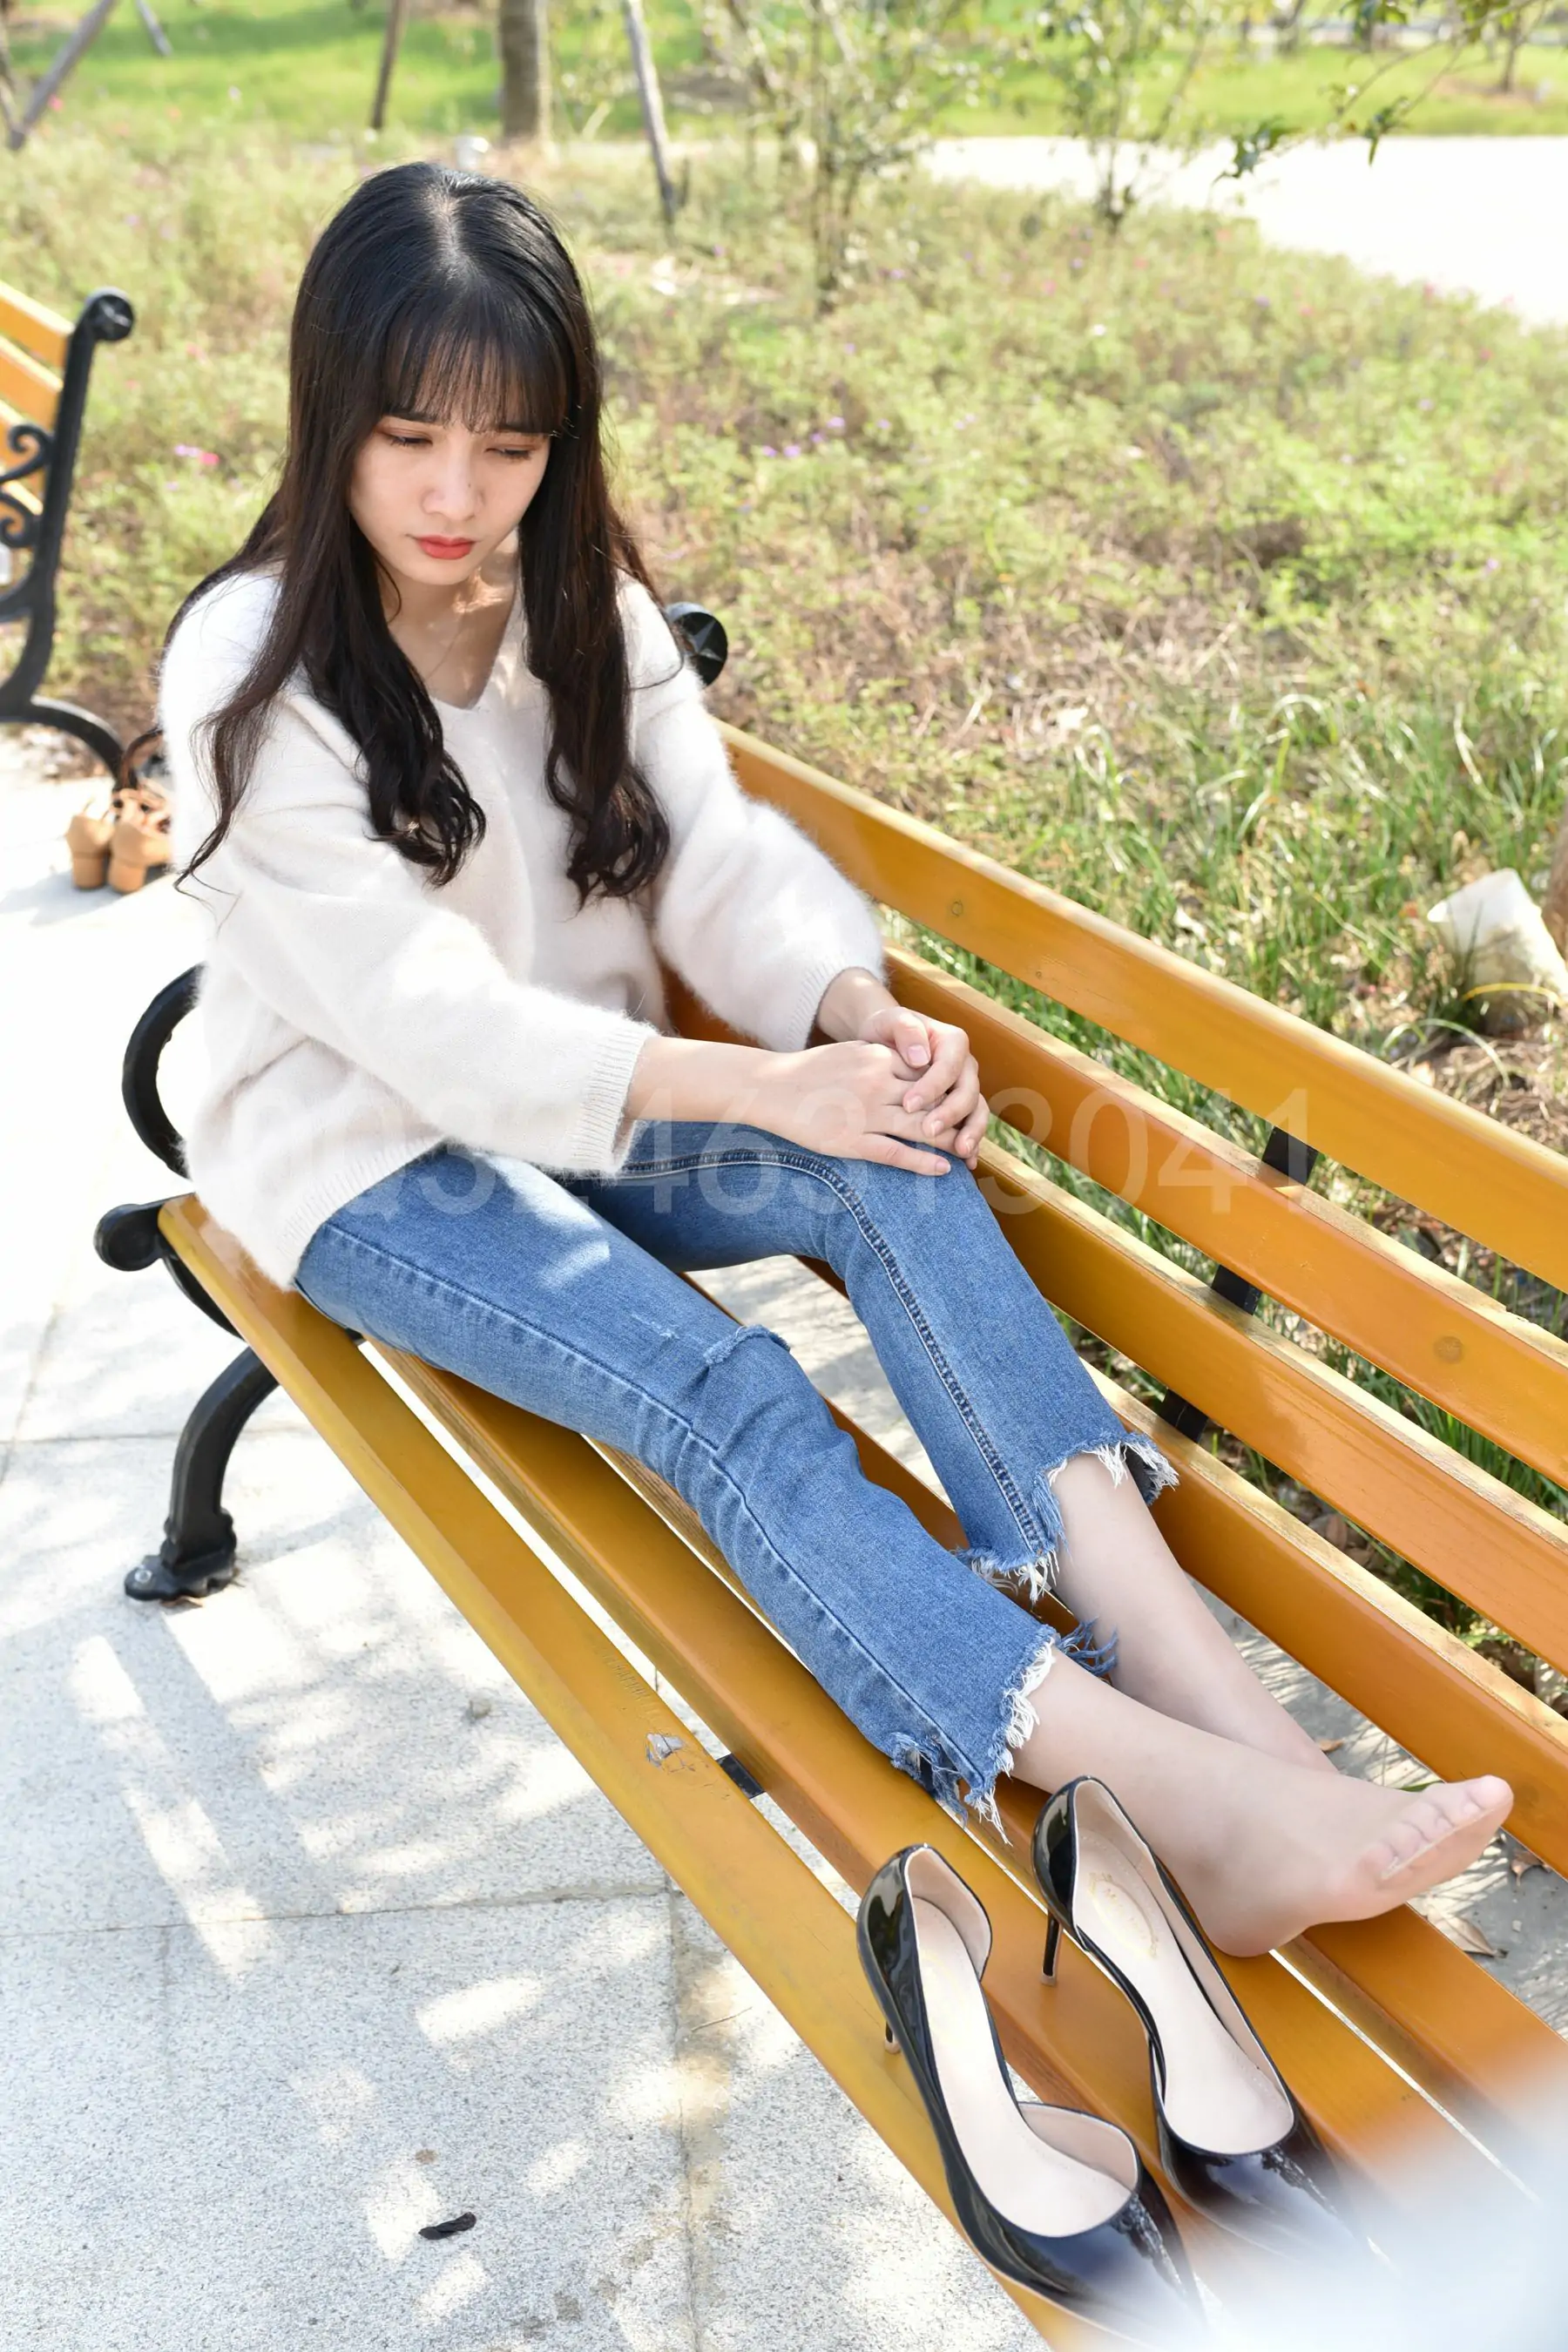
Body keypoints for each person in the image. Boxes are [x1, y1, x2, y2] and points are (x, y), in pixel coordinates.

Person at [154, 159, 1510, 1960]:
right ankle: (1172, 1808)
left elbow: (712, 862)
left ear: (563, 440)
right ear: (330, 410)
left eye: (510, 446)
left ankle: (1229, 1723)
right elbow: (431, 1028)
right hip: (365, 1160)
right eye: (410, 439)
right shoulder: (251, 663)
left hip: (589, 1102)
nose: (458, 497)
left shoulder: (579, 612)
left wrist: (853, 1018)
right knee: (727, 1395)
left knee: (892, 1152)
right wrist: (755, 1086)